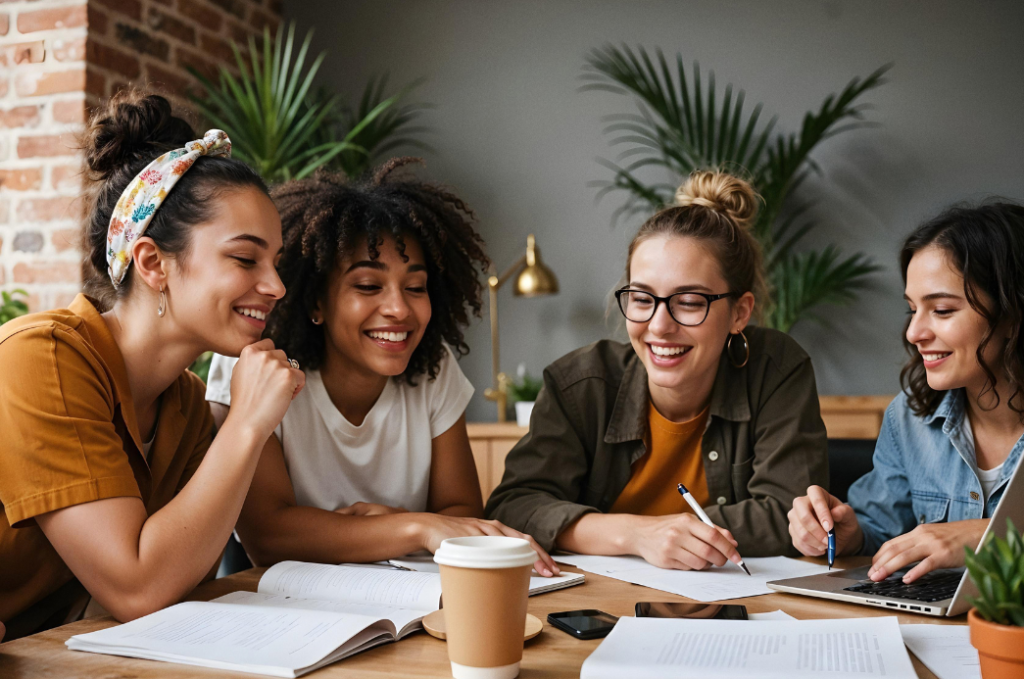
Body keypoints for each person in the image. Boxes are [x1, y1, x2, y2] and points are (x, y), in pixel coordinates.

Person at [0, 92, 305, 638]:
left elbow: (179, 586)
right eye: (244, 258)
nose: (276, 287)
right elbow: (139, 588)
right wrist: (247, 422)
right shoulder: (41, 358)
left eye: (275, 262)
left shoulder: (184, 406)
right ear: (152, 262)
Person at [205, 160, 558, 576]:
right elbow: (268, 537)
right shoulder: (255, 365)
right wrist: (412, 527)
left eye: (415, 287)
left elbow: (461, 513)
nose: (398, 309)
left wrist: (394, 526)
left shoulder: (433, 367)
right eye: (369, 286)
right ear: (317, 300)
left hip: (401, 600)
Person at [485, 170, 829, 570]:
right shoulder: (579, 385)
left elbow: (790, 514)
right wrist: (636, 535)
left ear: (740, 312)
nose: (660, 325)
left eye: (689, 301)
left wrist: (642, 533)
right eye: (643, 298)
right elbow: (513, 507)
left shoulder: (775, 369)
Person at [789, 202, 1024, 583]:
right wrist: (848, 534)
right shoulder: (909, 418)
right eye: (912, 310)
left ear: (1012, 315)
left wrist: (983, 536)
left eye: (942, 310)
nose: (915, 333)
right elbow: (881, 528)